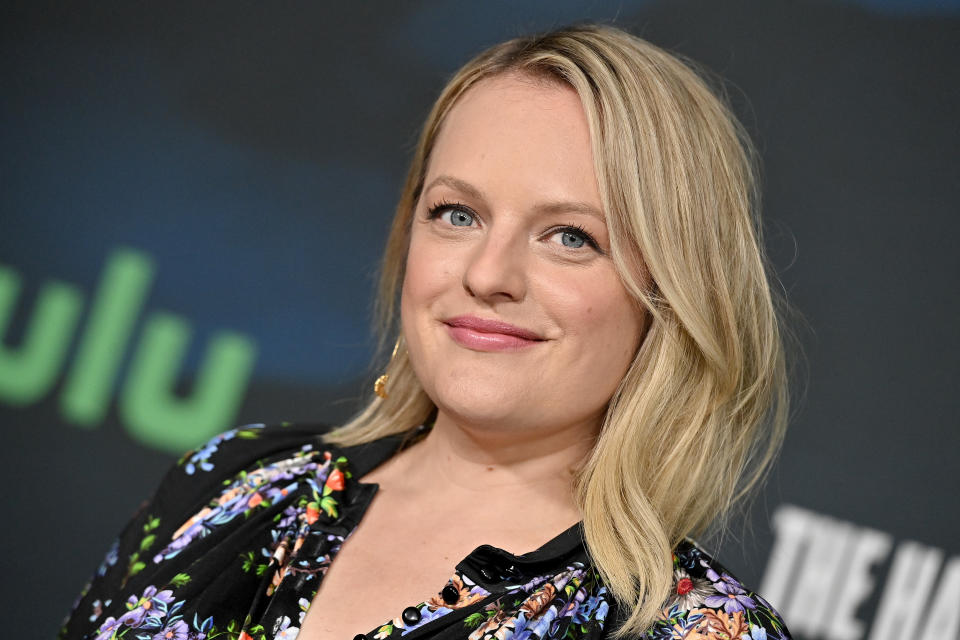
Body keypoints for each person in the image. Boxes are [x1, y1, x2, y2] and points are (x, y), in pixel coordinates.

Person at [60, 23, 792, 640]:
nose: (488, 273)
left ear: (670, 292)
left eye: (570, 236)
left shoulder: (698, 628)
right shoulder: (235, 482)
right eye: (458, 214)